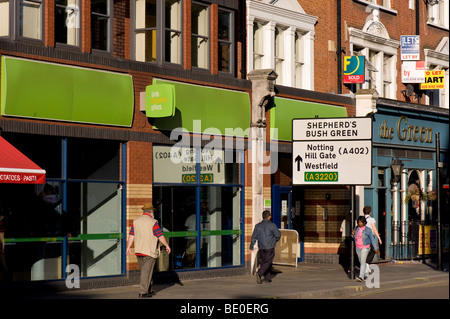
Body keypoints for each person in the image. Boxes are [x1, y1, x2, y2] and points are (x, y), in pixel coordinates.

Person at [126, 203, 171, 298]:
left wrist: (128, 247)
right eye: (153, 211)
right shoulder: (153, 222)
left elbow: (131, 235)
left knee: (147, 271)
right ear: (151, 211)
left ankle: (149, 289)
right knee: (146, 272)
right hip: (149, 252)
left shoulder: (136, 221)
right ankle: (143, 292)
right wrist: (167, 245)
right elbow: (159, 235)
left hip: (138, 251)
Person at [249, 210, 281, 284]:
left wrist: (251, 246)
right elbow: (278, 235)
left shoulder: (257, 226)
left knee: (265, 261)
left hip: (261, 247)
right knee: (268, 261)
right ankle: (259, 273)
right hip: (269, 247)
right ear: (269, 217)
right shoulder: (272, 225)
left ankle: (268, 277)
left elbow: (254, 237)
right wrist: (274, 241)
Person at [352, 216, 379, 282]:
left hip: (365, 247)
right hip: (358, 247)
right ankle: (366, 274)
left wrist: (376, 248)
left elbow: (372, 240)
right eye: (359, 222)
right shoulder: (356, 229)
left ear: (364, 222)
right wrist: (352, 234)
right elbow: (354, 237)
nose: (359, 223)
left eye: (361, 222)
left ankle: (361, 277)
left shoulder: (368, 230)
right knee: (361, 262)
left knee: (363, 261)